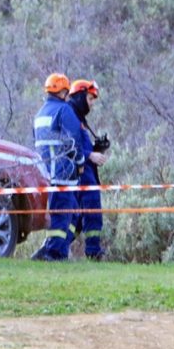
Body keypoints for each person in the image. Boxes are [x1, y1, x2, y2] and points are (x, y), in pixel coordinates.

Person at [31, 73, 91, 261]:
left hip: (45, 173)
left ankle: (54, 248)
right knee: (62, 215)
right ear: (64, 92)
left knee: (72, 214)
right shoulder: (64, 111)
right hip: (63, 173)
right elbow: (73, 141)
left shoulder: (40, 113)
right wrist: (81, 163)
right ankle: (55, 254)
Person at [67, 80, 109, 260]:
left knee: (76, 219)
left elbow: (80, 145)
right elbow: (68, 146)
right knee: (90, 215)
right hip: (81, 175)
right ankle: (93, 251)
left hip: (87, 174)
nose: (91, 104)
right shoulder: (69, 116)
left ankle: (56, 249)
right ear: (80, 96)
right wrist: (90, 155)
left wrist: (96, 148)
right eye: (90, 99)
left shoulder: (79, 118)